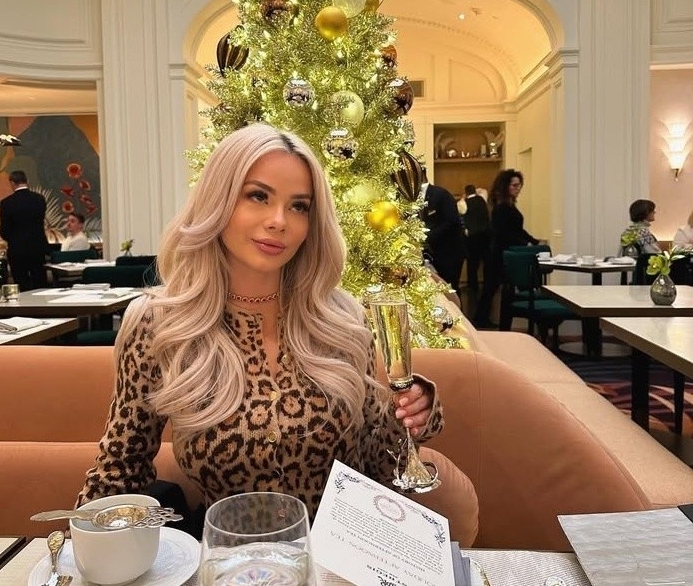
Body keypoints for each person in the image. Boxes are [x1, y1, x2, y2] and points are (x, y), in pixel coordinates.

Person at [78, 124, 444, 523]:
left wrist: (407, 417)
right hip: (228, 553)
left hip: (336, 552)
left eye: (299, 206)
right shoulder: (160, 323)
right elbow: (121, 469)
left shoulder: (341, 320)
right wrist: (81, 545)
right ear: (218, 200)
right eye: (258, 196)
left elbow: (378, 469)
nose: (279, 221)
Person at [473, 169, 538, 329]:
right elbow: (504, 233)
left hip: (503, 252)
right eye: (514, 185)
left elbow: (517, 230)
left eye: (519, 185)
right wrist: (526, 243)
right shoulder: (501, 207)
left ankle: (486, 320)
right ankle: (484, 320)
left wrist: (533, 241)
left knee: (493, 289)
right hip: (498, 254)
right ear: (505, 186)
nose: (518, 188)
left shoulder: (508, 206)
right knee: (491, 289)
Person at [0, 170, 48, 290]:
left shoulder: (6, 203)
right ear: (27, 181)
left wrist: (11, 238)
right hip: (38, 248)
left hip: (17, 250)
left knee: (22, 285)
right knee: (40, 283)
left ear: (12, 183)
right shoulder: (39, 199)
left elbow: (5, 230)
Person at [419, 168, 466, 295]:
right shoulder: (412, 198)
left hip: (449, 252)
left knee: (450, 289)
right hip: (432, 253)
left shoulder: (440, 194)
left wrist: (425, 237)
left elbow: (451, 221)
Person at [462, 184, 491, 292]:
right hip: (485, 235)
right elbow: (483, 191)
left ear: (466, 192)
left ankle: (472, 285)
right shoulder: (482, 200)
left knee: (472, 262)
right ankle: (487, 284)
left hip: (472, 236)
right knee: (486, 261)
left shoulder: (465, 203)